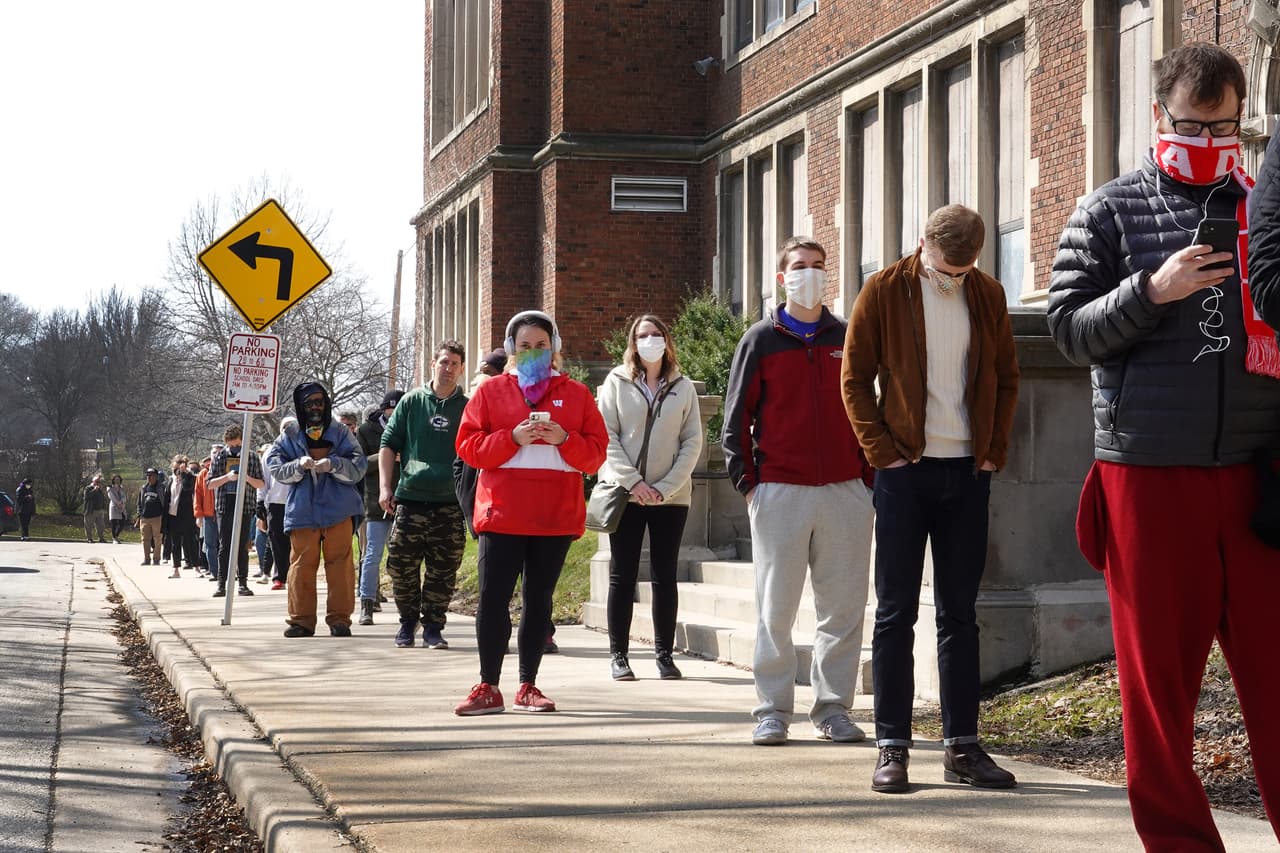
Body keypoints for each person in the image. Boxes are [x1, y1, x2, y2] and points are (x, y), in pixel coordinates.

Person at [1049, 43, 1280, 847]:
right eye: (1193, 124)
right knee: (1157, 695)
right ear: (1160, 116)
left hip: (1258, 477)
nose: (1211, 139)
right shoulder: (1107, 210)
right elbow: (1068, 333)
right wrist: (1150, 291)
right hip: (1148, 477)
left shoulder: (1266, 206)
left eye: (1226, 126)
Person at [843, 205, 1020, 793]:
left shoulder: (987, 292)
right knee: (894, 612)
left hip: (968, 473)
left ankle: (963, 748)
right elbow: (854, 377)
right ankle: (891, 746)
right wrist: (881, 452)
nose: (955, 279)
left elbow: (1006, 374)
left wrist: (993, 448)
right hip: (904, 472)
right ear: (922, 245)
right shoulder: (884, 290)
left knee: (959, 615)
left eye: (965, 270)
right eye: (947, 270)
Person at [722, 236, 876, 748]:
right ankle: (772, 709)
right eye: (799, 267)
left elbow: (869, 409)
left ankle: (832, 708)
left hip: (846, 491)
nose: (809, 273)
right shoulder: (760, 340)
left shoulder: (848, 336)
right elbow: (736, 419)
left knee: (843, 607)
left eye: (817, 266)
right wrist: (750, 484)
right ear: (781, 278)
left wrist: (868, 481)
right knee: (775, 609)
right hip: (780, 491)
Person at [453, 311, 607, 714]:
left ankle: (528, 685)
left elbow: (595, 455)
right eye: (525, 346)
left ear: (554, 349)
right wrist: (512, 437)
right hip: (502, 514)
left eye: (541, 345)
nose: (534, 352)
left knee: (538, 602)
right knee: (492, 600)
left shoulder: (576, 395)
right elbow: (468, 447)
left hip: (554, 517)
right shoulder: (489, 393)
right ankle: (488, 686)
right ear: (510, 350)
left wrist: (564, 439)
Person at [597, 314, 703, 680]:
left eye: (656, 334)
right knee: (621, 575)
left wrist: (664, 487)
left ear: (666, 340)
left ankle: (663, 654)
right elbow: (606, 435)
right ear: (633, 342)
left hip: (669, 497)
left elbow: (692, 442)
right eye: (643, 335)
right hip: (625, 495)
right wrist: (634, 483)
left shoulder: (683, 386)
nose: (650, 340)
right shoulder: (615, 381)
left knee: (664, 575)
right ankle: (619, 655)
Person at [380, 345, 467, 649]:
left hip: (449, 502)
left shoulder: (466, 407)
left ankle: (433, 626)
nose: (448, 368)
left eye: (454, 363)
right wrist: (385, 487)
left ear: (461, 369)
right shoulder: (412, 402)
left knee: (443, 570)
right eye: (443, 362)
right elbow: (388, 444)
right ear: (433, 364)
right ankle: (407, 621)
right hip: (412, 498)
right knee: (401, 565)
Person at [266, 382, 367, 638]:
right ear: (300, 406)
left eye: (319, 401)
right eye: (309, 403)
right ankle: (301, 621)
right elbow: (275, 466)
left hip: (339, 508)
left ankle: (340, 620)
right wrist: (298, 465)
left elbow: (359, 464)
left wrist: (333, 464)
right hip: (303, 510)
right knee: (301, 564)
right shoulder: (289, 434)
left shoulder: (341, 431)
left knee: (341, 564)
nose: (315, 407)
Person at [357, 389, 405, 625]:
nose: (395, 413)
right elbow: (359, 465)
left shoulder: (410, 426)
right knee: (372, 554)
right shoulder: (366, 431)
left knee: (402, 557)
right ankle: (367, 603)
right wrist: (386, 456)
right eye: (391, 409)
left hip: (405, 500)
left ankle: (405, 607)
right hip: (376, 502)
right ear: (383, 410)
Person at [208, 425, 265, 598]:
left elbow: (261, 484)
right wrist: (227, 478)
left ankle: (243, 583)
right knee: (224, 546)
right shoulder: (220, 456)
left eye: (236, 445)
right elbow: (209, 483)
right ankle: (221, 584)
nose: (233, 449)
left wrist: (245, 477)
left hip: (245, 506)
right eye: (231, 446)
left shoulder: (252, 457)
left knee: (242, 546)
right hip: (225, 506)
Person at [264, 420, 296, 591]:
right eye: (286, 427)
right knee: (276, 541)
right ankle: (279, 577)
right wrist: (261, 502)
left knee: (296, 541)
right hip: (276, 502)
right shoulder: (271, 451)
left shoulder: (301, 448)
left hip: (297, 501)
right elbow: (265, 480)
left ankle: (295, 574)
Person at [165, 455, 199, 578]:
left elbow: (187, 488)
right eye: (175, 469)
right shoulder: (170, 480)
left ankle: (196, 567)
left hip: (187, 515)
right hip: (173, 515)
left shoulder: (189, 478)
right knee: (175, 544)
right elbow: (168, 498)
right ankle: (176, 569)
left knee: (191, 541)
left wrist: (184, 474)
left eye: (178, 469)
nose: (177, 471)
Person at [193, 452, 219, 578]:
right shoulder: (203, 474)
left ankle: (227, 571)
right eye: (214, 453)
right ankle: (214, 571)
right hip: (208, 514)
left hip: (223, 513)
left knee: (225, 544)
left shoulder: (225, 470)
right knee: (209, 544)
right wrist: (198, 514)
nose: (216, 455)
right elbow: (197, 495)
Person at [136, 468, 165, 565]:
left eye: (151, 475)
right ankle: (146, 559)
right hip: (145, 518)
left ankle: (156, 559)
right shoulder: (144, 487)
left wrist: (164, 515)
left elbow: (165, 501)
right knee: (145, 539)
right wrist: (140, 514)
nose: (149, 477)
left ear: (156, 476)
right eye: (147, 475)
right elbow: (139, 503)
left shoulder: (161, 487)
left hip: (157, 517)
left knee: (158, 539)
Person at [83, 474, 107, 543]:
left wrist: (103, 507)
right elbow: (86, 497)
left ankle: (101, 538)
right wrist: (94, 490)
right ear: (93, 481)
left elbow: (102, 499)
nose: (98, 483)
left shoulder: (100, 489)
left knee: (101, 526)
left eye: (99, 481)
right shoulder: (88, 488)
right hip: (91, 510)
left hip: (100, 510)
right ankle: (89, 538)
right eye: (96, 481)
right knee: (89, 525)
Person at [107, 475, 128, 543]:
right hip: (114, 507)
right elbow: (111, 497)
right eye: (116, 480)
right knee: (114, 523)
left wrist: (122, 503)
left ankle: (116, 535)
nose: (117, 481)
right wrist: (118, 503)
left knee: (122, 522)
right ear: (113, 480)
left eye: (118, 480)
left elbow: (124, 497)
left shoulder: (122, 488)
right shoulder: (110, 488)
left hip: (122, 507)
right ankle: (114, 538)